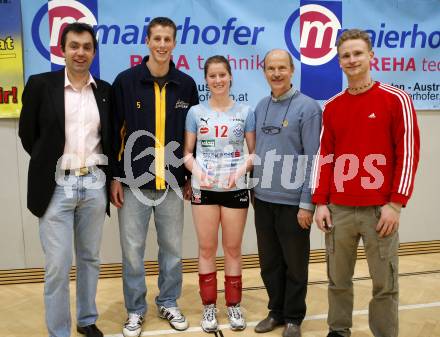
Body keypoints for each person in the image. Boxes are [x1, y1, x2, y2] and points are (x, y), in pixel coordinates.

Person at [312, 29, 420, 337]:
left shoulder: (396, 99)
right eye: (345, 55)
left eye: (358, 53)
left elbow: (408, 155)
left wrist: (396, 204)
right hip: (339, 210)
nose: (352, 60)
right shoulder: (332, 106)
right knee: (337, 279)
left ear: (371, 56)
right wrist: (320, 202)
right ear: (339, 62)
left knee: (385, 283)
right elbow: (325, 157)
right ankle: (338, 329)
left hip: (379, 211)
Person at [18, 22, 111, 337]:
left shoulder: (105, 92)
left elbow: (108, 138)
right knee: (58, 266)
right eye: (74, 46)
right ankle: (59, 331)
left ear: (93, 52)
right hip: (56, 186)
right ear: (62, 49)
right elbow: (27, 135)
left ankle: (86, 320)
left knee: (90, 259)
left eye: (86, 47)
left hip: (94, 184)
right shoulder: (41, 85)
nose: (80, 52)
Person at [110, 17, 199, 337]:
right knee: (132, 253)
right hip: (133, 184)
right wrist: (115, 177)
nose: (162, 45)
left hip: (173, 184)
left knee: (172, 250)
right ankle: (135, 310)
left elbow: (194, 136)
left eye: (168, 39)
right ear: (147, 41)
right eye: (157, 38)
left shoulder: (186, 84)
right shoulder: (126, 81)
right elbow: (114, 133)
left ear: (174, 43)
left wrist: (190, 176)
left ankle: (168, 301)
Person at [183, 55, 256, 332]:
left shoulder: (246, 111)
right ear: (206, 80)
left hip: (234, 189)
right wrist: (201, 175)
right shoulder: (195, 113)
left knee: (233, 250)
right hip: (205, 190)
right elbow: (187, 154)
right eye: (212, 76)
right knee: (206, 249)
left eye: (222, 75)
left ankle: (234, 306)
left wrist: (236, 174)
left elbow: (254, 153)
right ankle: (209, 307)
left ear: (230, 77)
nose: (217, 80)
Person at [252, 49, 322, 337]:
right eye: (271, 68)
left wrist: (307, 203)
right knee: (269, 263)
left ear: (292, 70)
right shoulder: (260, 106)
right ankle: (276, 312)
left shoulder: (308, 108)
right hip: (263, 200)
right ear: (264, 71)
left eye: (282, 67)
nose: (277, 73)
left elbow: (313, 158)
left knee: (295, 264)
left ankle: (293, 318)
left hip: (294, 204)